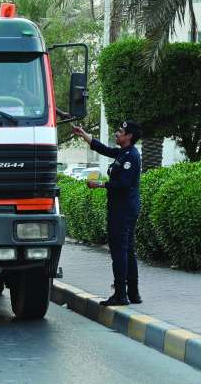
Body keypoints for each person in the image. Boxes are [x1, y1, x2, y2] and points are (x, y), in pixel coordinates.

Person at [72, 121, 142, 306]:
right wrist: (84, 134)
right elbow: (103, 149)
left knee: (120, 251)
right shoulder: (123, 153)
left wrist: (100, 184)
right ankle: (133, 294)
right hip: (123, 208)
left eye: (121, 131)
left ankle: (121, 294)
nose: (117, 133)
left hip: (123, 210)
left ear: (129, 137)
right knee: (127, 250)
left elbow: (124, 185)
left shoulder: (131, 157)